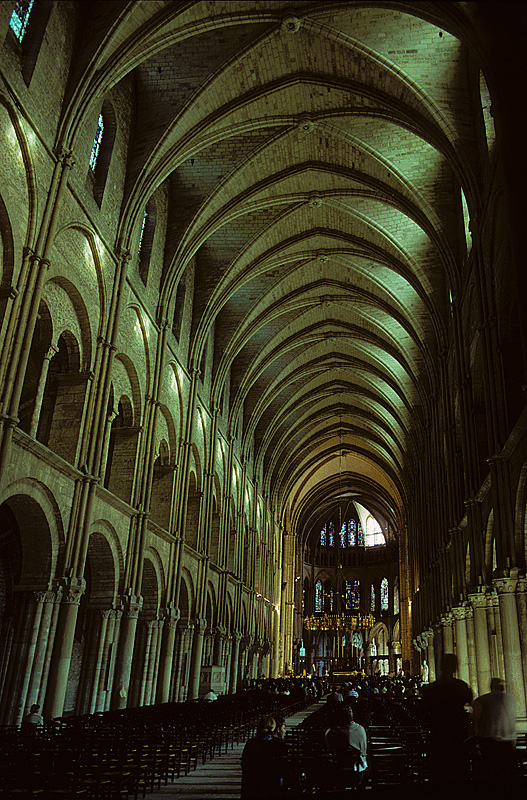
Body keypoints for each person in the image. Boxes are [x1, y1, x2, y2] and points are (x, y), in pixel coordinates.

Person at [421, 653, 473, 783]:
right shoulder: (461, 687)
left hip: (438, 739)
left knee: (441, 778)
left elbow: (423, 713)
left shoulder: (431, 689)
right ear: (455, 668)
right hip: (458, 739)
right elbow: (469, 705)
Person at [472, 677, 517, 780]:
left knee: (491, 775)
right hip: (507, 742)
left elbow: (476, 723)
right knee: (507, 775)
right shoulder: (511, 698)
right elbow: (511, 722)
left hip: (489, 742)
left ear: (491, 687)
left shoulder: (482, 700)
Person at [241, 715, 288, 798]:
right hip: (272, 783)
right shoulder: (278, 744)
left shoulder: (251, 743)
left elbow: (245, 764)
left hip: (253, 783)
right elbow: (283, 765)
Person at [325, 704, 368, 788]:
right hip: (359, 769)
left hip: (341, 771)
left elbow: (329, 746)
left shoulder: (338, 733)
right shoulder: (361, 729)